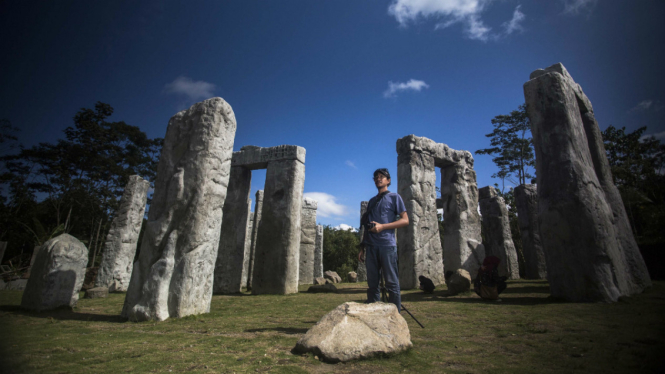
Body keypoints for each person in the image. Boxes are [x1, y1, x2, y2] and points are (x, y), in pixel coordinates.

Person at [358, 168, 409, 311]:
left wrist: (383, 227)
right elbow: (367, 227)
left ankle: (395, 317)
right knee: (372, 284)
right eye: (376, 177)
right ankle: (375, 316)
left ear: (388, 180)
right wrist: (362, 247)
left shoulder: (394, 197)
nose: (378, 179)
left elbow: (405, 221)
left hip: (387, 245)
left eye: (382, 177)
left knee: (392, 283)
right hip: (371, 246)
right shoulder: (372, 201)